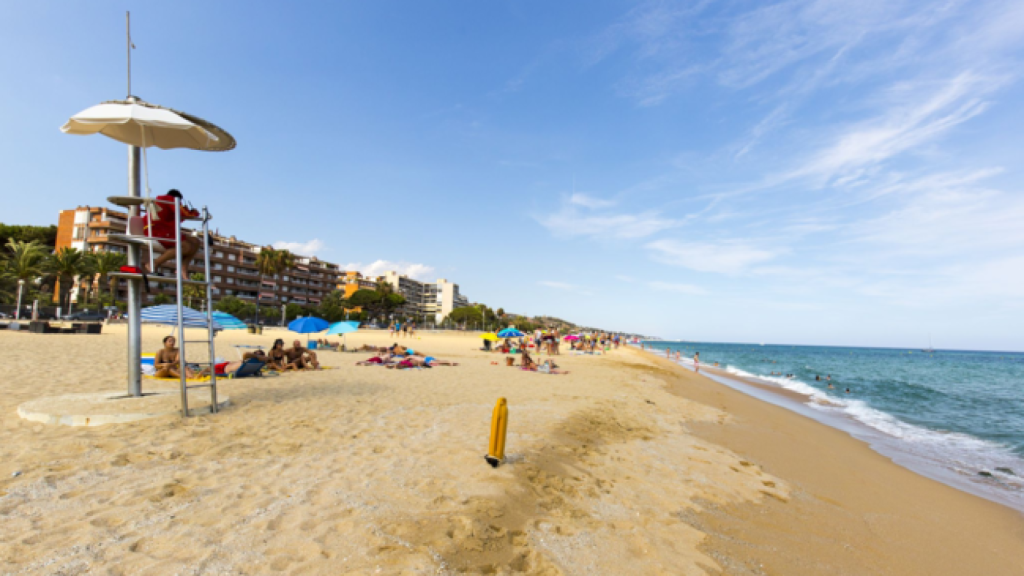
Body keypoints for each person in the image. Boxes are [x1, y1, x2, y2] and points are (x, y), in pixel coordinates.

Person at [143, 189, 201, 279]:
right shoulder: (168, 199)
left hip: (164, 229)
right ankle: (154, 263)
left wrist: (190, 213)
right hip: (156, 229)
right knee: (186, 247)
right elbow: (182, 212)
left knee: (196, 241)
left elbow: (180, 217)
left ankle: (183, 267)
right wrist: (194, 212)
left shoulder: (165, 203)